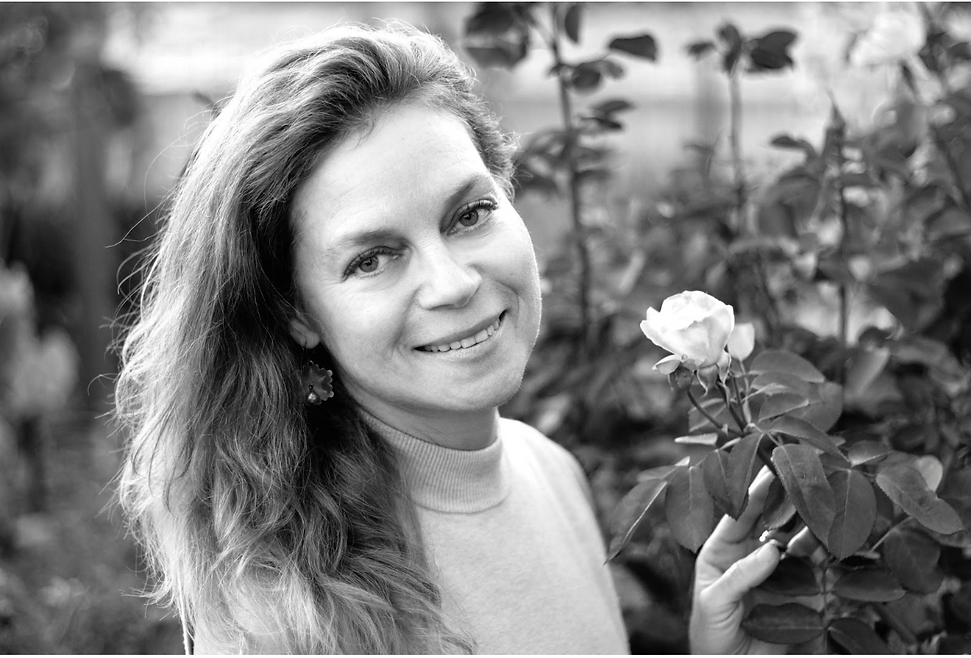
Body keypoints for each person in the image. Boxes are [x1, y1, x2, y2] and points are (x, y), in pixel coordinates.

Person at [115, 22, 785, 655]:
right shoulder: (283, 610)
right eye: (372, 258)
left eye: (470, 214)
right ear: (300, 315)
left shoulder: (551, 471)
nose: (453, 283)